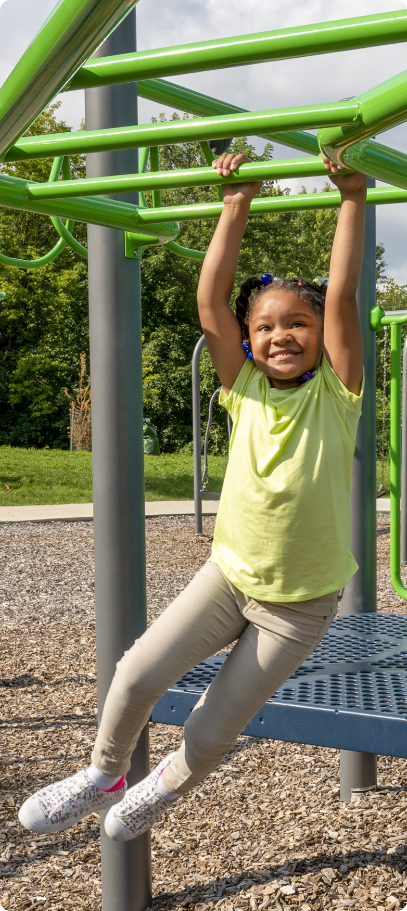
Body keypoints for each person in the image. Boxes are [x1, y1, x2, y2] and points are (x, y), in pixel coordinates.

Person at [19, 152, 366, 842]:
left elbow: (341, 298)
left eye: (294, 323)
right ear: (247, 340)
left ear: (318, 338)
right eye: (264, 326)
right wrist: (233, 202)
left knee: (210, 729)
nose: (280, 336)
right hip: (229, 576)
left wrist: (350, 197)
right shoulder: (244, 388)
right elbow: (210, 305)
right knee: (134, 673)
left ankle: (163, 785)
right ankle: (102, 772)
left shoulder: (337, 393)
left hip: (296, 608)